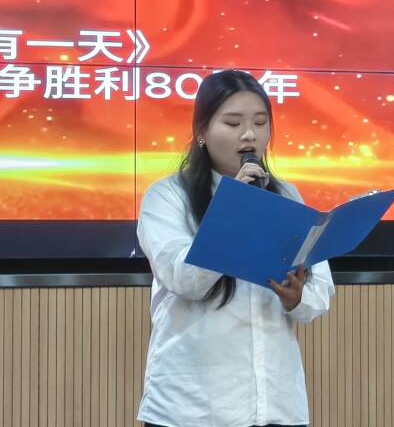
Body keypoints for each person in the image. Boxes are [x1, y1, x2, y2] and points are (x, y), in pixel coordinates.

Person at [136, 69, 335, 427]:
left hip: (276, 404)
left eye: (260, 123)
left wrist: (297, 297)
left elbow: (319, 294)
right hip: (191, 408)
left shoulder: (287, 195)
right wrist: (234, 208)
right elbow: (184, 280)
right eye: (232, 123)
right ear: (202, 131)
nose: (249, 134)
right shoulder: (167, 197)